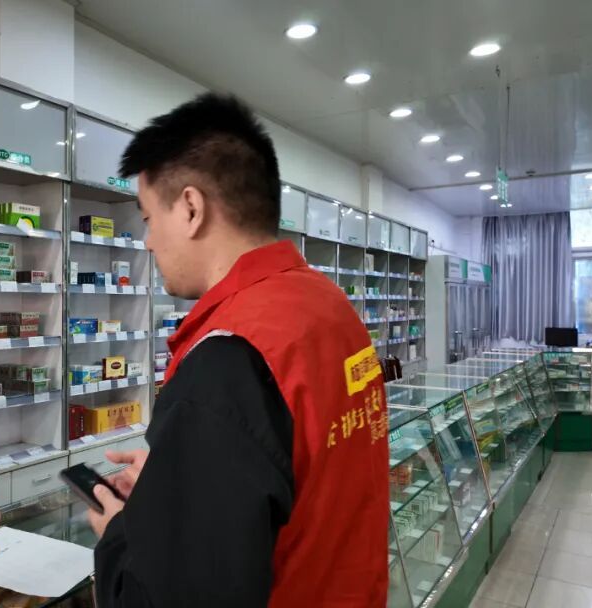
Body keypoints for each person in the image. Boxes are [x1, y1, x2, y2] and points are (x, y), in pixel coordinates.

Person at [86, 94, 390, 606]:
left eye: (148, 218)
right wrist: (173, 484)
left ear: (190, 208)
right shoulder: (331, 306)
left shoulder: (227, 358)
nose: (148, 242)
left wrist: (122, 533)